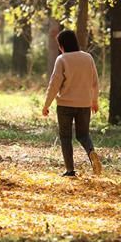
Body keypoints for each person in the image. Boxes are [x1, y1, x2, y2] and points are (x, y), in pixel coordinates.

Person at [42, 29, 103, 176]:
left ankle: (70, 170)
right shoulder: (88, 58)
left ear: (62, 45)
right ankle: (91, 152)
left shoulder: (62, 59)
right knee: (83, 135)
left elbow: (54, 84)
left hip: (65, 105)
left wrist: (46, 104)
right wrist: (94, 101)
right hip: (84, 104)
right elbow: (95, 82)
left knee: (65, 137)